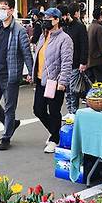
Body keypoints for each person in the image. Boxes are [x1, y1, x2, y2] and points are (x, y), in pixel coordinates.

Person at [0, 0, 34, 151]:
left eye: (3, 8)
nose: (0, 11)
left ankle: (6, 137)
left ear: (11, 10)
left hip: (10, 75)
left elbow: (26, 53)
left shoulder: (19, 31)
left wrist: (30, 72)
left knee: (10, 107)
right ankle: (11, 124)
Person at [32, 8, 73, 154]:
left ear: (56, 20)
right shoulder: (43, 36)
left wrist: (62, 82)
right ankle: (55, 132)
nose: (45, 21)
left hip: (54, 82)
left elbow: (67, 63)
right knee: (38, 109)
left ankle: (55, 139)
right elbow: (38, 57)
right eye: (44, 19)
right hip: (40, 79)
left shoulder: (65, 39)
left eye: (48, 19)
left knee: (54, 111)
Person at [60, 2, 88, 117]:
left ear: (68, 14)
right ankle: (70, 110)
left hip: (76, 62)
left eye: (63, 16)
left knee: (73, 89)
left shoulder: (80, 26)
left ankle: (74, 111)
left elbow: (84, 45)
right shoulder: (64, 26)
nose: (62, 19)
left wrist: (83, 62)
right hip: (65, 63)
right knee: (67, 89)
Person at [86, 7, 102, 83]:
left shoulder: (90, 26)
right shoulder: (99, 28)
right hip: (98, 59)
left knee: (91, 81)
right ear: (100, 16)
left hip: (90, 59)